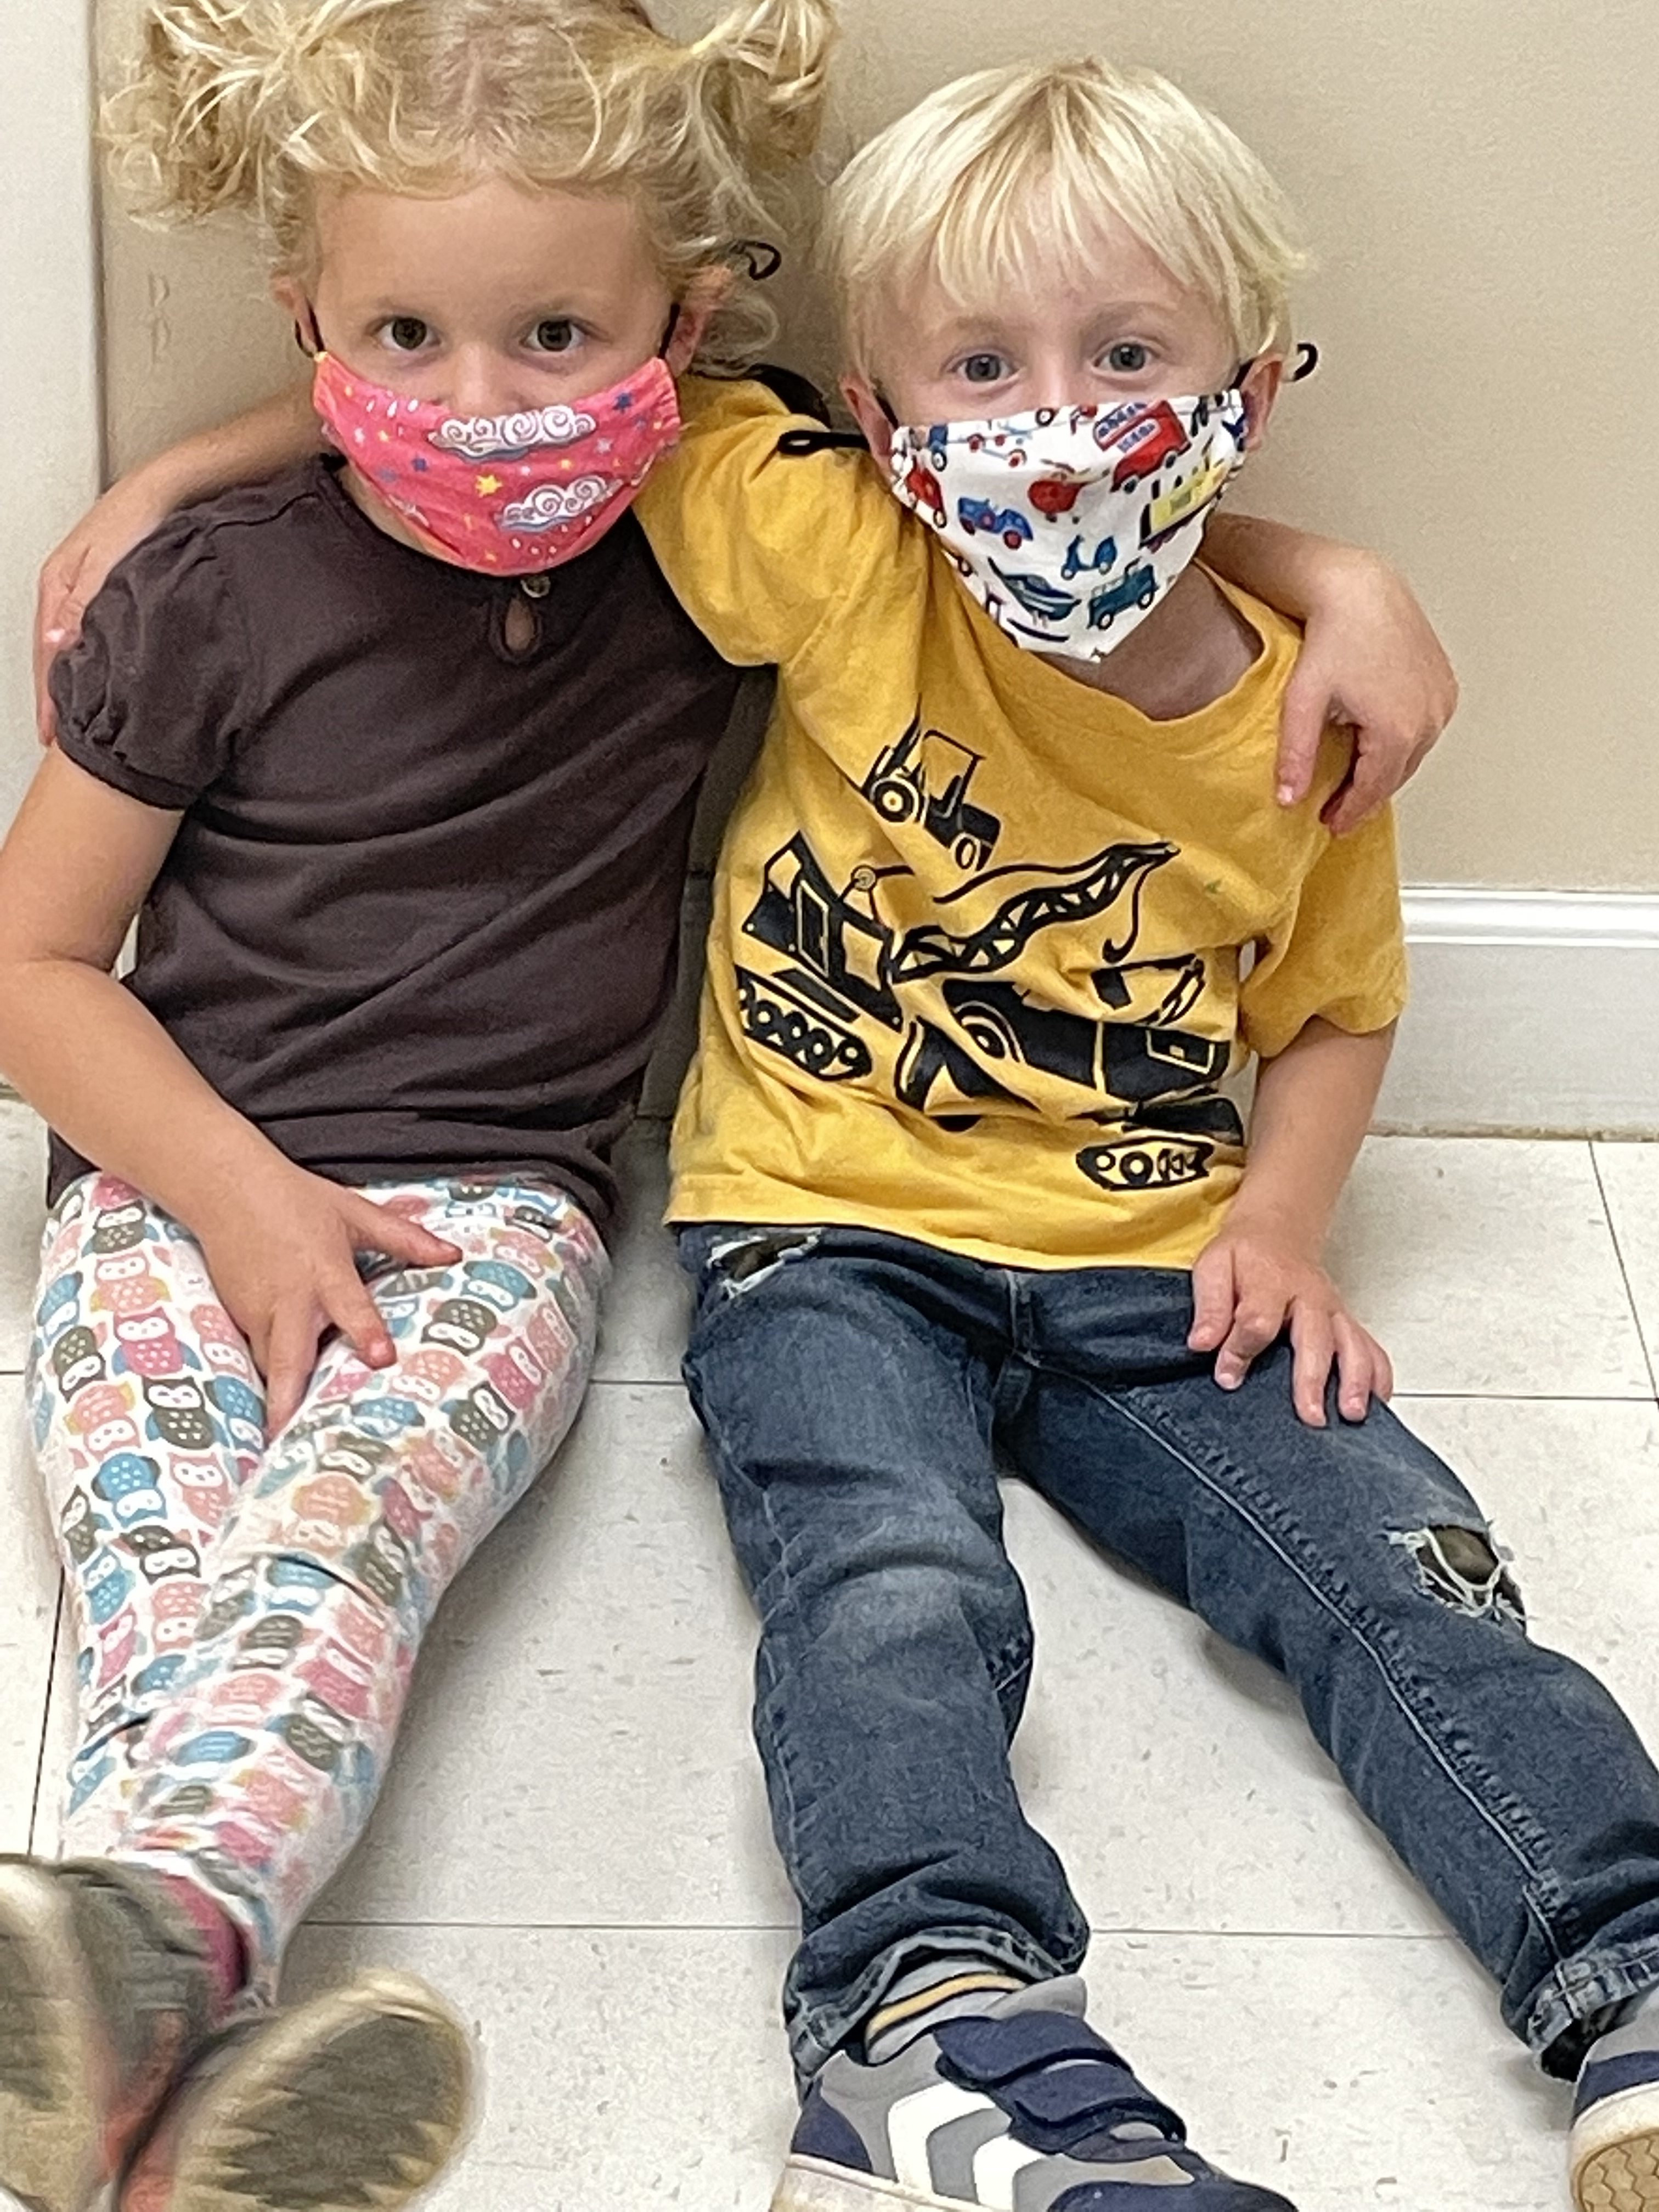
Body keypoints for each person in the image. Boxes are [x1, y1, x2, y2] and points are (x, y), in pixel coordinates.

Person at [615, 57, 1659, 2212]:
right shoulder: (840, 556)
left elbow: (1337, 1002)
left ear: (1246, 388)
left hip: (1154, 1247)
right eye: (981, 368)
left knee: (1402, 1564)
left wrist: (1287, 1221)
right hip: (819, 1226)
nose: (1061, 424)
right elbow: (603, 385)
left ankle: (1631, 1962)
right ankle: (930, 2030)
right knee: (888, 1581)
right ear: (884, 423)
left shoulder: (1303, 717)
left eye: (1126, 357)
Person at [0, 2, 836, 2207]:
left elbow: (1008, 464)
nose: (481, 405)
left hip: (485, 1214)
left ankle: (136, 2015)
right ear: (314, 325)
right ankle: (176, 2088)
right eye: (404, 338)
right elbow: (28, 971)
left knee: (333, 1545)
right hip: (170, 1171)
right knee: (166, 1578)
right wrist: (235, 1195)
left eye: (558, 336)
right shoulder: (215, 594)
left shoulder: (727, 528)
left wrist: (1333, 578)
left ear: (683, 328)